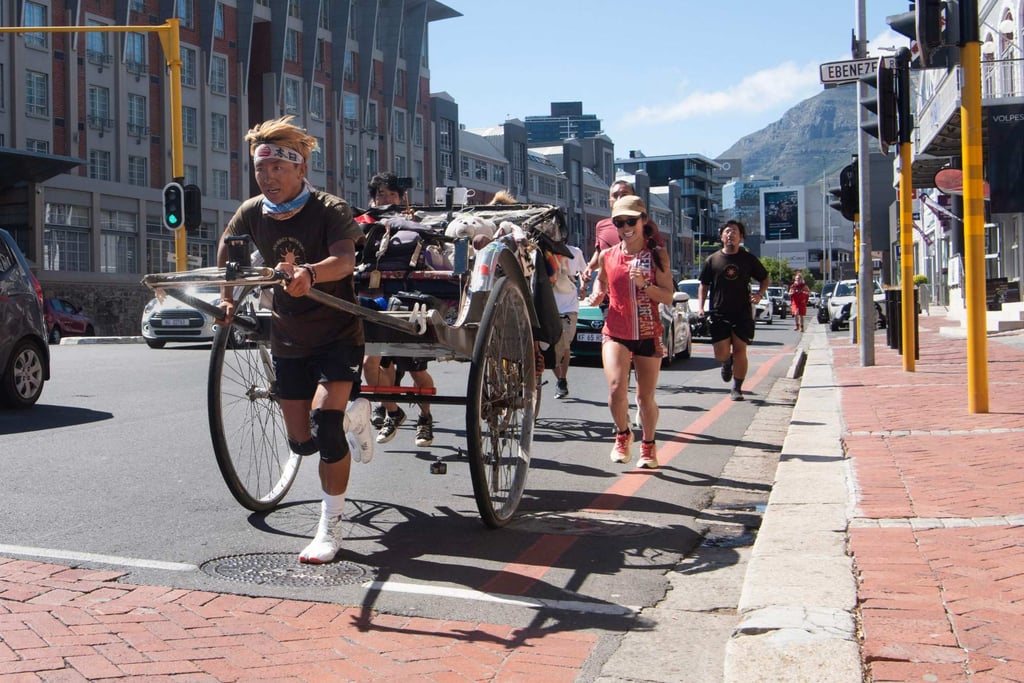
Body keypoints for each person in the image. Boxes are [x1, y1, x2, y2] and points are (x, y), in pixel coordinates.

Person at [216, 115, 373, 564]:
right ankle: (354, 417)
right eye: (260, 170)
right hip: (288, 335)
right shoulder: (250, 212)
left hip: (338, 332)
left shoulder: (330, 208)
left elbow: (345, 261)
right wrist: (229, 299)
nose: (267, 178)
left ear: (300, 168)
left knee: (325, 426)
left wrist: (310, 274)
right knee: (302, 442)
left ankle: (330, 526)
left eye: (277, 169)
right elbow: (229, 251)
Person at [589, 195, 675, 469]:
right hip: (616, 331)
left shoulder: (656, 255)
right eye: (619, 222)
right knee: (616, 389)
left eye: (631, 221)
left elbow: (669, 297)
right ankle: (622, 434)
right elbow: (601, 283)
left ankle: (648, 446)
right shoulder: (608, 255)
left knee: (644, 397)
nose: (625, 226)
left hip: (649, 333)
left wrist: (645, 286)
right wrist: (596, 294)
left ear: (644, 221)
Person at [358, 172, 435, 448]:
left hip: (405, 299)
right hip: (371, 299)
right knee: (371, 364)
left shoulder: (415, 223)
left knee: (415, 370)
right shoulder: (362, 224)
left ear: (402, 199)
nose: (385, 199)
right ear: (372, 198)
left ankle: (425, 418)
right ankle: (393, 411)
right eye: (380, 195)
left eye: (391, 195)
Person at [697, 220, 770, 402]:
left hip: (742, 312)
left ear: (741, 237)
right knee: (720, 353)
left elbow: (765, 277)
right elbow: (703, 285)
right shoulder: (712, 259)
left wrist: (760, 294)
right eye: (727, 232)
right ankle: (726, 361)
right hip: (719, 312)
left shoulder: (748, 259)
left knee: (740, 350)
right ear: (722, 237)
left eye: (735, 232)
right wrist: (700, 307)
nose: (731, 235)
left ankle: (737, 388)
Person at [583, 180, 666, 281]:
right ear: (610, 202)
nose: (619, 198)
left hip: (640, 290)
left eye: (624, 195)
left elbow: (661, 255)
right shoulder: (601, 226)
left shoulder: (644, 223)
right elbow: (600, 253)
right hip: (611, 291)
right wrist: (590, 268)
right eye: (615, 195)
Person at [550, 243, 588, 399]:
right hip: (548, 306)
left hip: (569, 307)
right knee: (550, 347)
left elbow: (584, 271)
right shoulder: (541, 251)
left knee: (564, 345)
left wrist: (584, 286)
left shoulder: (575, 252)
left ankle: (561, 379)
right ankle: (560, 378)